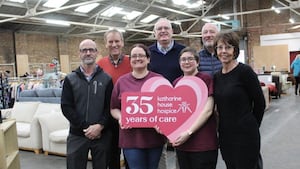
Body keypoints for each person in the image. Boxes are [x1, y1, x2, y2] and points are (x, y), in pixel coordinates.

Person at [213, 31, 266, 169]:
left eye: (228, 47)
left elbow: (260, 103)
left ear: (235, 50)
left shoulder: (245, 72)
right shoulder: (216, 77)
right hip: (226, 135)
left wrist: (252, 126)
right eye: (220, 47)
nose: (223, 51)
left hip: (246, 135)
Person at [110, 43, 166, 169]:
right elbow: (114, 108)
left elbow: (167, 106)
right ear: (130, 61)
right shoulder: (121, 82)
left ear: (148, 59)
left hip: (154, 137)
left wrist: (163, 122)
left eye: (141, 55)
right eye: (134, 56)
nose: (137, 58)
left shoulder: (159, 80)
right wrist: (121, 117)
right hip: (131, 138)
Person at [61, 39, 113, 169]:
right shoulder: (69, 79)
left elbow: (109, 107)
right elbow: (66, 107)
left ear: (96, 53)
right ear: (79, 54)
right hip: (77, 135)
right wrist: (86, 128)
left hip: (101, 135)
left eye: (91, 50)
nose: (88, 53)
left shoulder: (106, 79)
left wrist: (100, 126)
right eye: (84, 50)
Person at [172, 47, 218, 169]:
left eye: (190, 59)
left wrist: (189, 132)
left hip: (203, 143)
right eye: (183, 59)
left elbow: (208, 110)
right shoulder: (176, 82)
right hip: (182, 144)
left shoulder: (206, 79)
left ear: (197, 62)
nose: (186, 62)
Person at [97, 29, 132, 169]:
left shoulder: (132, 61)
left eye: (117, 41)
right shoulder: (100, 64)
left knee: (131, 154)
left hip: (130, 114)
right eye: (110, 41)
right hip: (109, 115)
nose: (114, 44)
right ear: (105, 44)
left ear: (122, 43)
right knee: (112, 154)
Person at [149, 18, 186, 83]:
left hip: (179, 91)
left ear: (172, 31)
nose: (163, 31)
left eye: (166, 28)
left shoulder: (183, 51)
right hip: (155, 92)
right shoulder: (147, 52)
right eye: (159, 29)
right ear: (154, 33)